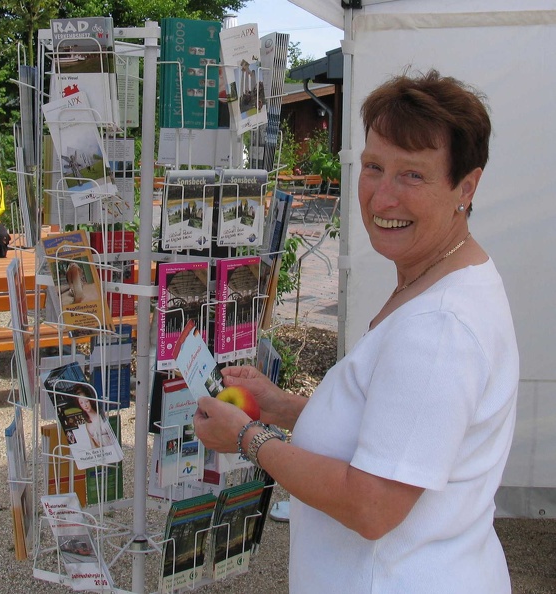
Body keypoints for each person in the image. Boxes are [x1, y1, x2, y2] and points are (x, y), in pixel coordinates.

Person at [194, 69, 519, 593]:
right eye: (373, 167)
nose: (382, 197)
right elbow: (406, 431)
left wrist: (249, 437)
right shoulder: (446, 278)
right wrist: (283, 407)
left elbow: (372, 505)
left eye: (412, 175)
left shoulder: (439, 327)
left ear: (466, 186)